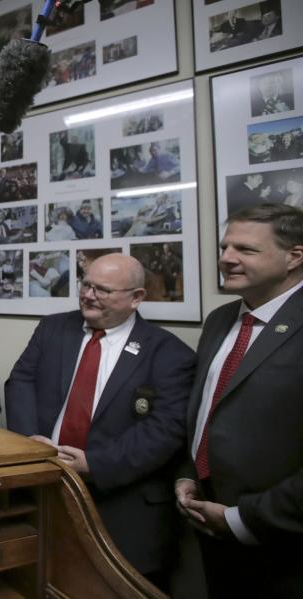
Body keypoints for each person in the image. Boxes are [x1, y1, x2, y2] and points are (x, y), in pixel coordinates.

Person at [5, 254, 195, 589]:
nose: (88, 295)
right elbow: (20, 381)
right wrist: (29, 439)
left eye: (102, 290)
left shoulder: (169, 354)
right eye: (86, 284)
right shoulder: (53, 328)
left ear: (136, 298)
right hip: (42, 489)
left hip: (120, 506)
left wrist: (95, 463)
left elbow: (165, 429)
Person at [175, 204, 303, 598]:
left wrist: (243, 518)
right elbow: (205, 412)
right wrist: (186, 474)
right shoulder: (220, 320)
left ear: (293, 257)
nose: (226, 258)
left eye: (245, 249)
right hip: (209, 524)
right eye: (225, 246)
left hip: (283, 543)